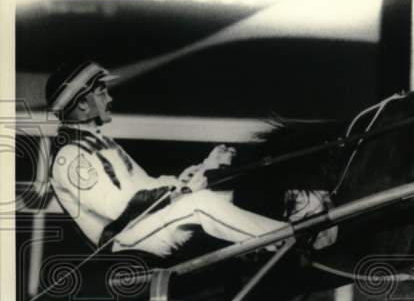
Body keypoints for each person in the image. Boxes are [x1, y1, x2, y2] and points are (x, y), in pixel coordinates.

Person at [46, 60, 298, 259]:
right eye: (102, 93)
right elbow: (120, 208)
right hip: (123, 241)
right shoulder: (70, 158)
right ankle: (287, 240)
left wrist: (194, 175)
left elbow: (145, 185)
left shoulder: (100, 143)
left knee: (224, 196)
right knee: (199, 204)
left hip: (142, 226)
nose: (109, 99)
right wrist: (183, 191)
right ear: (82, 104)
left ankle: (286, 233)